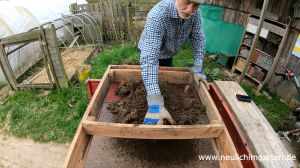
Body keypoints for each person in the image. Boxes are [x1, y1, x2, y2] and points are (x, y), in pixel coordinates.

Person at [138, 0, 208, 125]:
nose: (190, 9)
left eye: (196, 5)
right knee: (149, 80)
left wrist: (197, 67)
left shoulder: (194, 14)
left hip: (168, 53)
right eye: (187, 2)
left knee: (165, 83)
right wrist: (155, 103)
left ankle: (163, 100)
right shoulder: (158, 15)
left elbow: (198, 37)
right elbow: (149, 58)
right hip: (150, 51)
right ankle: (149, 103)